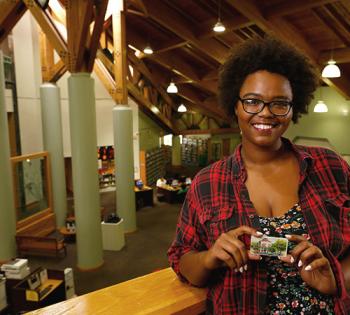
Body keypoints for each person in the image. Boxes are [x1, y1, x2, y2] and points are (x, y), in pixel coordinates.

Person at [168, 35, 350, 315]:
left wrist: (335, 281)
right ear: (235, 105)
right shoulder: (207, 183)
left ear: (294, 107)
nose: (266, 114)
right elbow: (182, 258)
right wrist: (209, 258)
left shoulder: (330, 167)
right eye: (252, 101)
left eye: (280, 103)